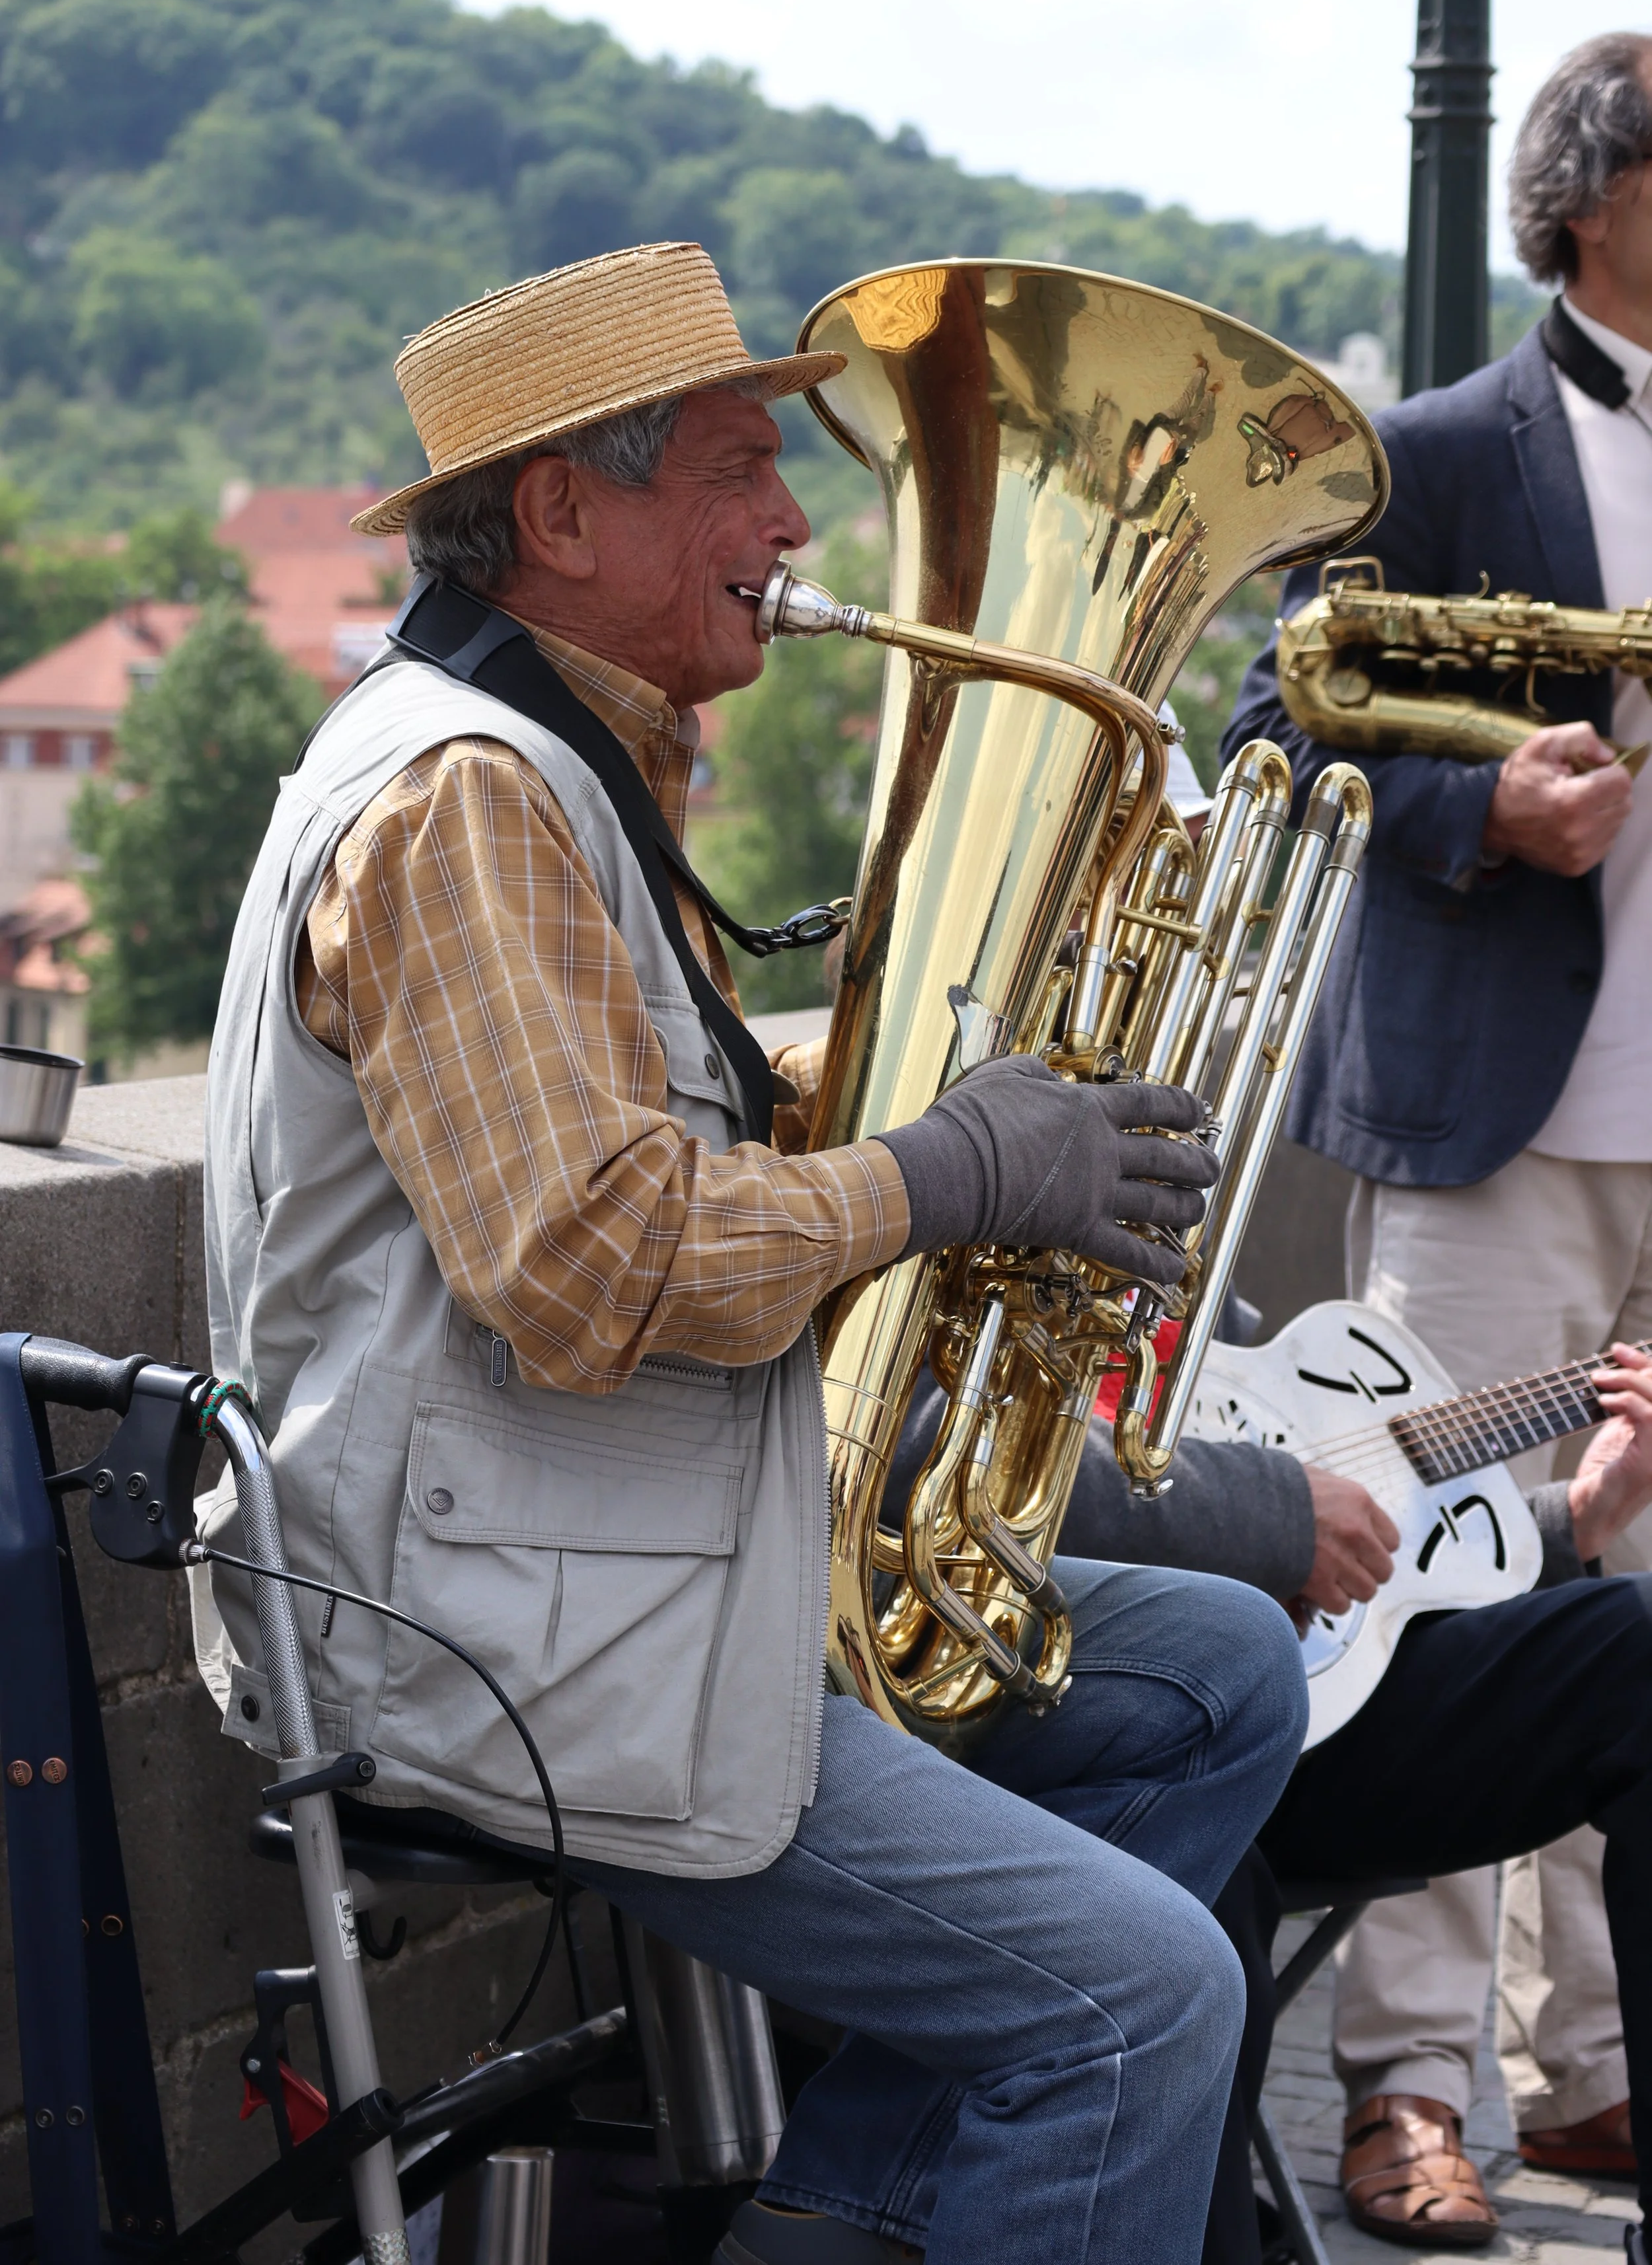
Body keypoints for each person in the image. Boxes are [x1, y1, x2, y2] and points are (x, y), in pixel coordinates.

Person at [194, 241, 1308, 2265]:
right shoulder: (465, 799)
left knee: (1222, 1668)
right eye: (733, 469)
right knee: (1143, 1998)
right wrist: (952, 1168)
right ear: (559, 510)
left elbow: (602, 1124)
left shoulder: (548, 755)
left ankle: (841, 2225)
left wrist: (943, 1096)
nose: (798, 521)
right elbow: (591, 1261)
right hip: (499, 1645)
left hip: (597, 1569)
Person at [1219, 31, 1652, 2241]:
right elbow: (1254, 729)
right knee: (1438, 1596)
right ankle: (1410, 2097)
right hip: (1501, 1127)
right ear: (1597, 202)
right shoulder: (1440, 451)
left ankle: (1597, 2077)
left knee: (1637, 1610)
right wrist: (1482, 806)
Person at [1016, 1349, 1652, 2265]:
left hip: (1304, 1713)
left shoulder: (1186, 1258)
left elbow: (1347, 1562)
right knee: (1189, 1870)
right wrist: (1270, 1515)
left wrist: (1575, 1520)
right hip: (1073, 1710)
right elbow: (925, 1457)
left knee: (1641, 1650)